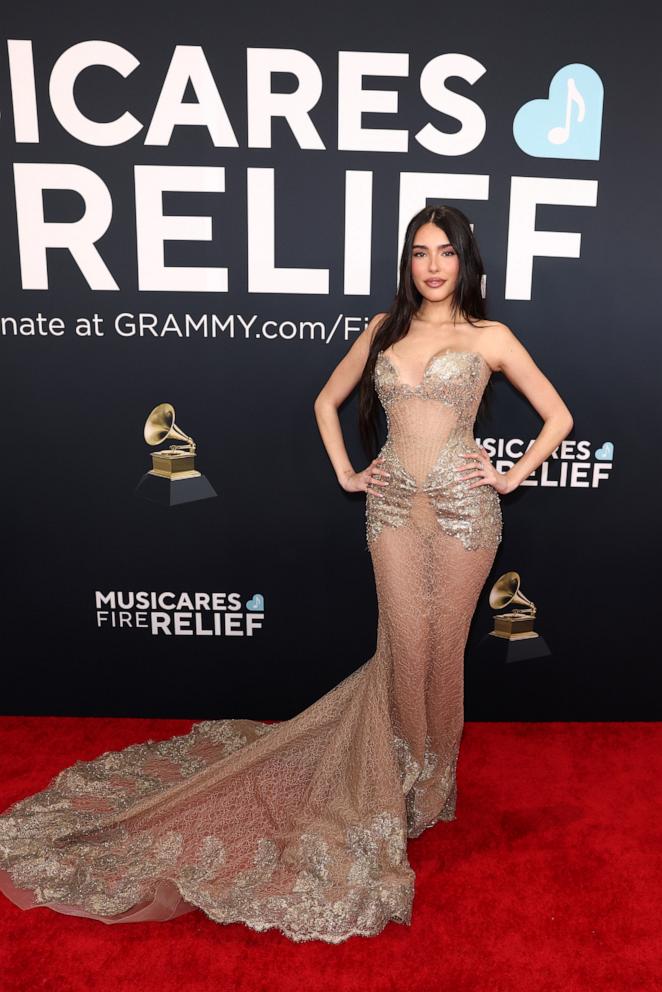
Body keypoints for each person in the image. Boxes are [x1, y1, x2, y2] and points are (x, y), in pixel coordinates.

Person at [0, 205, 573, 944]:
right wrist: (348, 472)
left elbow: (556, 415)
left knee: (445, 651)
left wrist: (510, 474)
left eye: (445, 253)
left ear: (465, 261)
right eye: (419, 253)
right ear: (408, 263)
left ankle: (433, 785)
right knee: (405, 644)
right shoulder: (383, 331)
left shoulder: (491, 337)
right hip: (393, 508)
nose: (432, 266)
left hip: (468, 514)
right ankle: (391, 778)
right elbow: (324, 401)